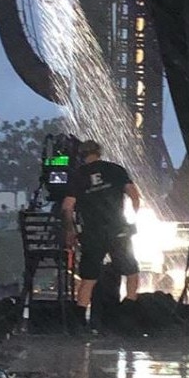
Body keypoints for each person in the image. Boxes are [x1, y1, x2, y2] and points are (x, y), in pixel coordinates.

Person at [61, 140, 141, 328]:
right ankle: (128, 309)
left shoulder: (78, 175)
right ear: (99, 152)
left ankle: (80, 320)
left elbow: (67, 207)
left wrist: (70, 230)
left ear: (81, 155)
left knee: (88, 278)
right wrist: (131, 220)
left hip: (92, 233)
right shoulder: (116, 170)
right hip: (118, 230)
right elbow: (135, 196)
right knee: (131, 271)